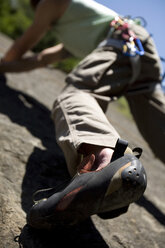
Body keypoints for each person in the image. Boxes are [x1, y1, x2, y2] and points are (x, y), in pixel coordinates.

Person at [0, 0, 164, 229]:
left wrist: (5, 61)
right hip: (139, 52)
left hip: (123, 40)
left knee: (77, 92)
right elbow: (40, 59)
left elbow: (23, 45)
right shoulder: (74, 32)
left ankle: (105, 158)